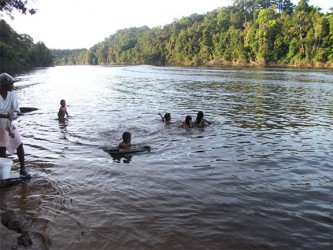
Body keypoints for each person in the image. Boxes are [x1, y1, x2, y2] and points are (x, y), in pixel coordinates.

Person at [0, 73, 30, 177]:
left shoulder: (12, 93)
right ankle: (3, 173)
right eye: (10, 84)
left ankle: (22, 169)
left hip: (9, 124)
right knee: (2, 149)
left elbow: (16, 109)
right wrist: (6, 116)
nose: (12, 86)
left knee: (19, 144)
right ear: (3, 85)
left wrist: (14, 114)